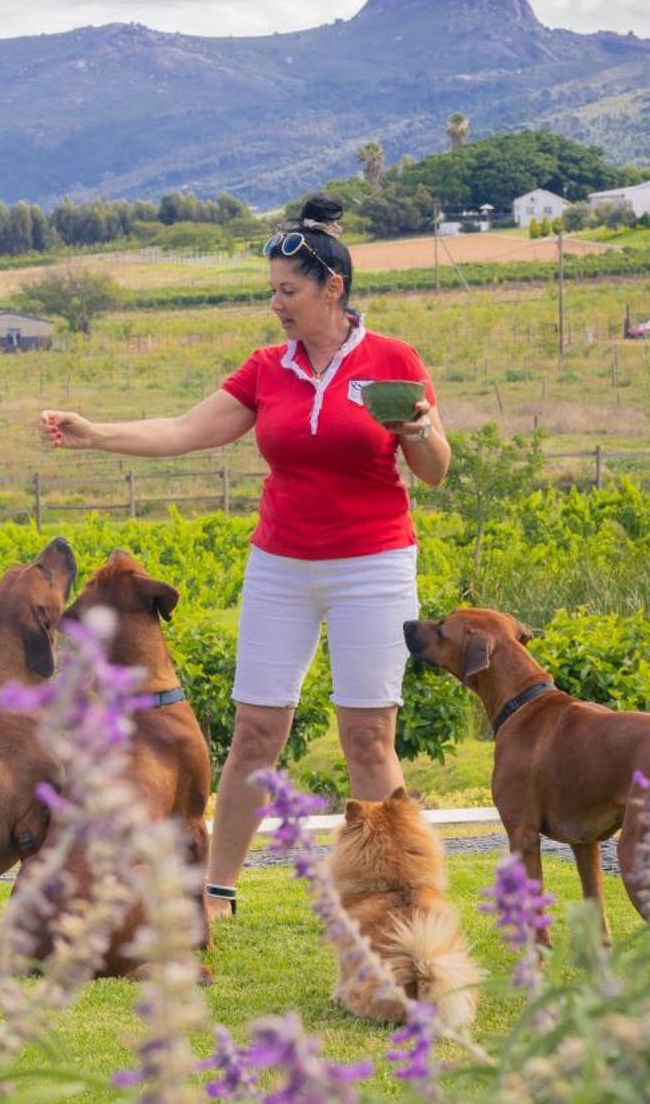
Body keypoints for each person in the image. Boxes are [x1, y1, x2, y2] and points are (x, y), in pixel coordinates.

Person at [38, 194, 451, 923]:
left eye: (287, 291)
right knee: (256, 732)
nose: (276, 304)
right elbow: (181, 429)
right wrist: (93, 433)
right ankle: (216, 890)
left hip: (373, 567)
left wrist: (419, 431)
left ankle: (394, 896)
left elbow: (435, 470)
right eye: (271, 292)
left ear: (332, 288)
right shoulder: (266, 369)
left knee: (367, 735)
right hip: (280, 569)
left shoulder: (392, 361)